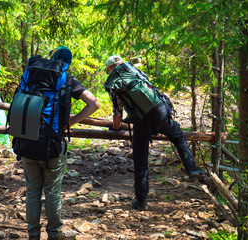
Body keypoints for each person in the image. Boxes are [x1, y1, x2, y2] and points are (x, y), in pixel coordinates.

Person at [104, 55, 205, 211]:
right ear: (121, 64)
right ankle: (192, 168)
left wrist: (117, 127)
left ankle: (141, 201)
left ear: (110, 68)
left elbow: (117, 113)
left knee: (140, 160)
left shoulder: (114, 84)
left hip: (142, 122)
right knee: (178, 137)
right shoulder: (135, 71)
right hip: (160, 113)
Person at [21, 47, 100, 240]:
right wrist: (70, 123)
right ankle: (54, 235)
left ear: (52, 58)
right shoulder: (68, 80)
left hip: (26, 141)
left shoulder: (32, 74)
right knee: (52, 192)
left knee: (32, 191)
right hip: (52, 145)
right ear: (68, 63)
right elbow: (94, 104)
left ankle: (33, 235)